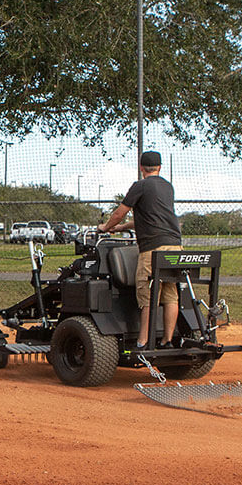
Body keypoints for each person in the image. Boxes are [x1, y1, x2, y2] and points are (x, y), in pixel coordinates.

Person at [95, 150, 183, 351]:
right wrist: (121, 228)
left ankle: (142, 343)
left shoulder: (140, 186)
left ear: (141, 167)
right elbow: (149, 219)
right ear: (159, 167)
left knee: (148, 295)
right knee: (170, 295)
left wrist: (106, 227)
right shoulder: (167, 187)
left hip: (153, 248)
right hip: (175, 246)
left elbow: (119, 213)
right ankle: (166, 341)